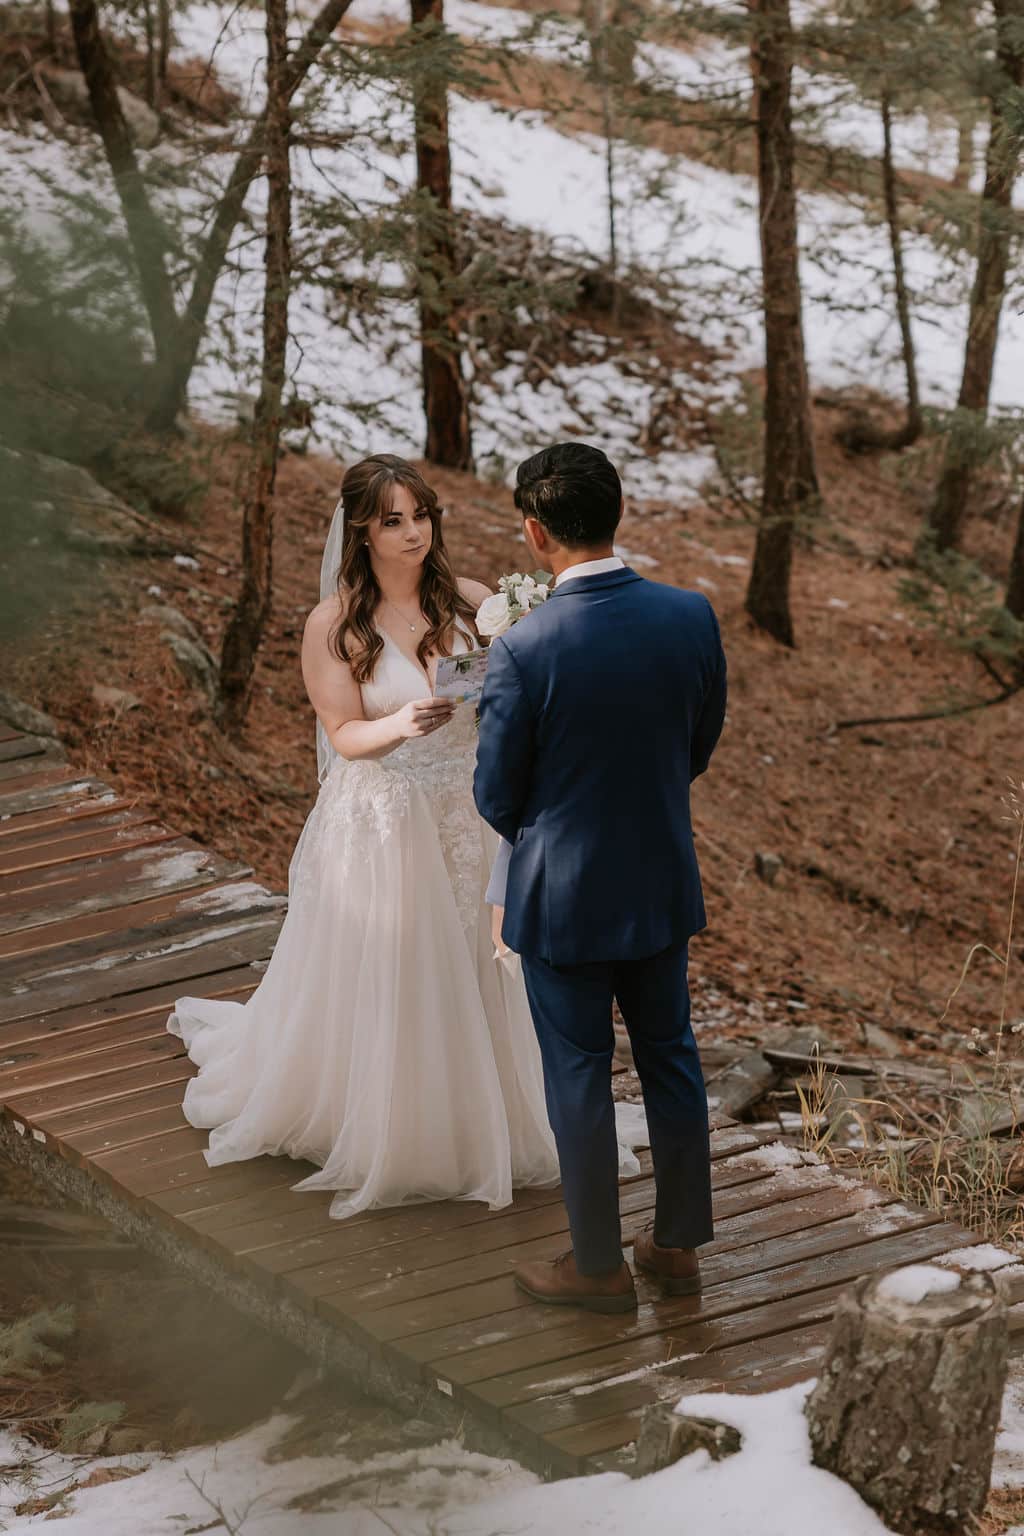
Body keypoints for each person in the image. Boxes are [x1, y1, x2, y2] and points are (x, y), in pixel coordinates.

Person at [168, 454, 564, 1218]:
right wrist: (400, 723)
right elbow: (343, 734)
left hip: (467, 812)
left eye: (421, 515)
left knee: (474, 963)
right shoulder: (334, 623)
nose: (413, 533)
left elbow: (516, 696)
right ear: (362, 531)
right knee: (401, 966)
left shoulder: (477, 601)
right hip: (384, 819)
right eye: (393, 520)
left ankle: (484, 1112)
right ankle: (390, 1118)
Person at [474, 441, 728, 1313]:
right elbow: (697, 746)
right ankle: (677, 1248)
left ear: (535, 533)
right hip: (659, 881)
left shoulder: (524, 647)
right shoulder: (691, 615)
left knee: (578, 1073)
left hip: (564, 901)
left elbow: (496, 793)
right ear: (618, 514)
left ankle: (595, 1268)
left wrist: (554, 831)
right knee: (672, 1057)